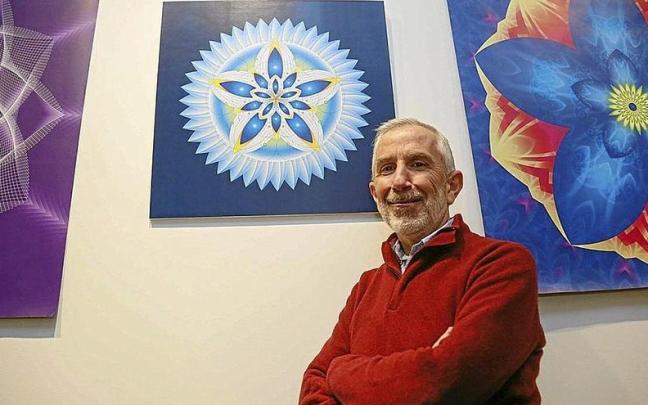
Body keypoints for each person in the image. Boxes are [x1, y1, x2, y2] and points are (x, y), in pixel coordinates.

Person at [299, 118, 545, 404]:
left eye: (417, 164)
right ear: (375, 193)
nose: (399, 182)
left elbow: (444, 383)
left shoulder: (502, 265)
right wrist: (422, 366)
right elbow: (314, 382)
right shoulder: (366, 286)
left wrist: (341, 372)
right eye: (387, 169)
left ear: (452, 186)